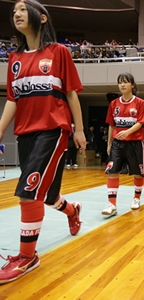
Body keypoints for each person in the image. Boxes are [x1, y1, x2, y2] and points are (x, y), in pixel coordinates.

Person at [0, 0, 86, 284]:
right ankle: (72, 211)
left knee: (28, 192)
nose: (17, 14)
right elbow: (13, 100)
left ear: (42, 18)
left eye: (23, 9)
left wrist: (79, 130)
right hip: (25, 133)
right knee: (46, 195)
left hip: (53, 130)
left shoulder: (59, 52)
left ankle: (27, 257)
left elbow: (72, 94)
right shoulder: (14, 59)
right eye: (14, 12)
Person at [101, 72, 144, 216]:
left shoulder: (140, 103)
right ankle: (112, 205)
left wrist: (127, 132)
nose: (122, 85)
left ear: (132, 85)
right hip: (117, 143)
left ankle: (136, 198)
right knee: (112, 172)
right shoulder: (113, 104)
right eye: (120, 82)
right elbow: (111, 125)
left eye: (126, 82)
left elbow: (141, 122)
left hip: (135, 143)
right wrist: (109, 143)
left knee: (138, 174)